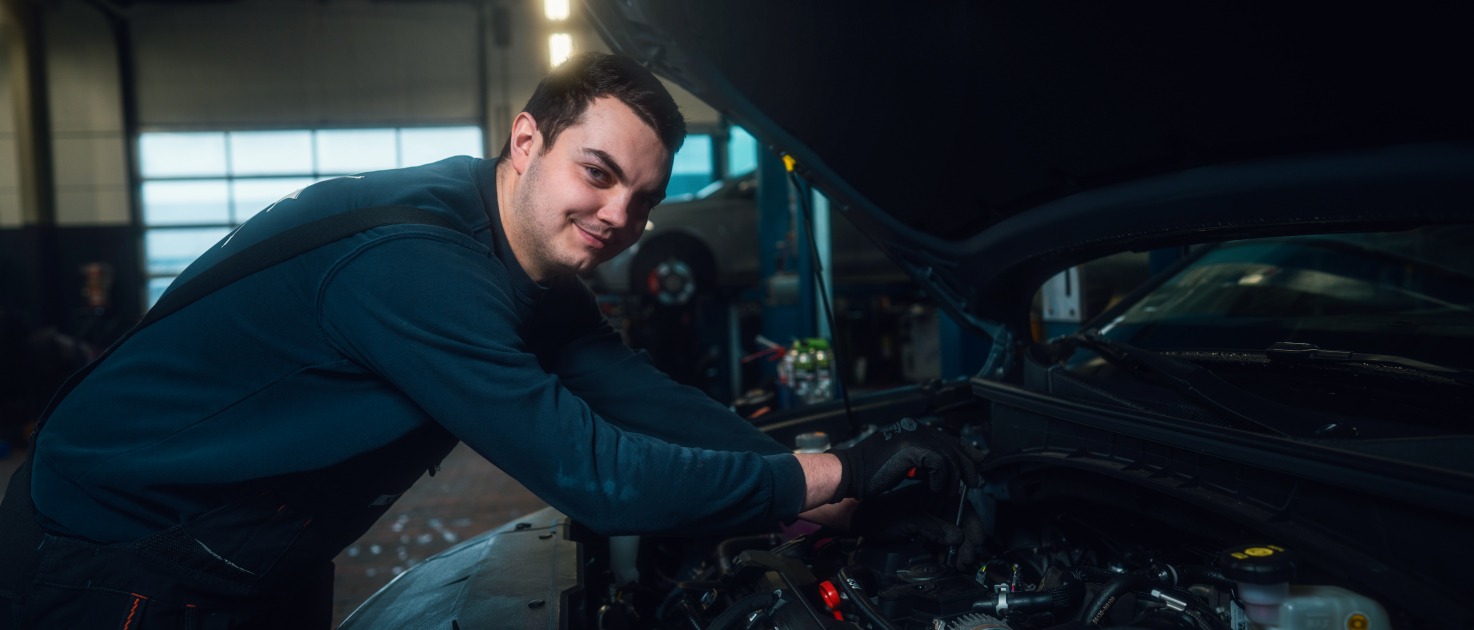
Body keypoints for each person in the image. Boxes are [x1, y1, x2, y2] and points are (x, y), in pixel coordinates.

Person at [0, 52, 977, 628]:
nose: (617, 217)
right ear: (526, 144)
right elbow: (594, 473)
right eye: (595, 173)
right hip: (118, 552)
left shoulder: (524, 257)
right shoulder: (419, 272)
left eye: (641, 201)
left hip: (259, 544)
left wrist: (801, 482)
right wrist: (832, 473)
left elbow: (630, 394)